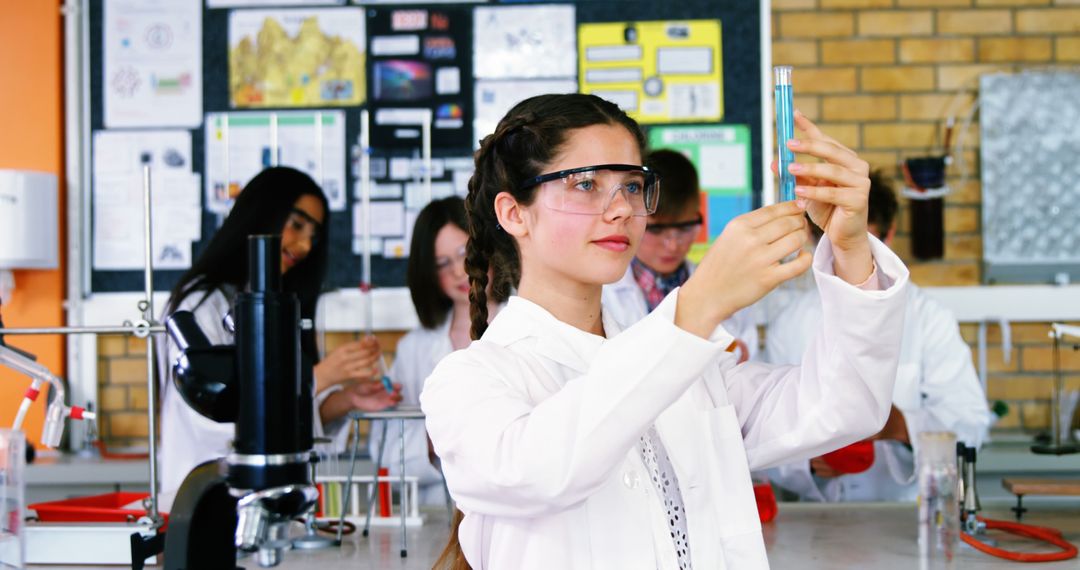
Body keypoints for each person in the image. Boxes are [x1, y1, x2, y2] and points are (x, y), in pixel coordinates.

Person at [420, 93, 910, 569]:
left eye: (632, 186)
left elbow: (848, 404)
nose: (621, 210)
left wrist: (850, 249)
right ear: (513, 213)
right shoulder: (469, 381)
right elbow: (541, 472)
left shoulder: (693, 373)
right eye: (586, 184)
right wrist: (699, 304)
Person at [157, 166, 401, 511]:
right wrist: (320, 377)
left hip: (258, 502)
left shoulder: (271, 303)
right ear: (261, 214)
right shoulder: (201, 305)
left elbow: (285, 426)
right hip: (204, 501)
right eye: (297, 225)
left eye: (313, 235)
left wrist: (346, 398)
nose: (303, 245)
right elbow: (217, 419)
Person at [764, 170, 992, 502]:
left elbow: (971, 427)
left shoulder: (929, 319)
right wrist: (807, 463)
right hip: (821, 522)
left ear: (890, 234)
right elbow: (765, 437)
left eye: (865, 245)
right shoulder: (790, 323)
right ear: (818, 240)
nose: (852, 260)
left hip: (905, 518)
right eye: (840, 246)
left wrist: (900, 425)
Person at [368, 196, 504, 505]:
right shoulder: (414, 349)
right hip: (434, 517)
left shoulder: (527, 326)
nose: (459, 271)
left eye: (465, 253)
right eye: (442, 264)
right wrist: (434, 439)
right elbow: (386, 456)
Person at [603, 149, 758, 362]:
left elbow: (746, 363)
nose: (672, 244)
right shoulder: (603, 295)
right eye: (656, 230)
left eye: (684, 227)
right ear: (632, 220)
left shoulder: (727, 290)